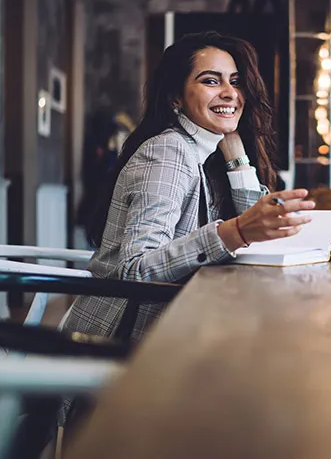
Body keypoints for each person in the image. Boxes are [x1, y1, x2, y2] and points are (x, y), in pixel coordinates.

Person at [61, 31, 314, 340]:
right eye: (211, 81)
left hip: (175, 326)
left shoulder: (208, 151)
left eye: (235, 81)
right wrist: (234, 232)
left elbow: (259, 239)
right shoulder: (168, 150)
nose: (230, 93)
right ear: (175, 96)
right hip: (120, 343)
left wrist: (236, 156)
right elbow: (134, 270)